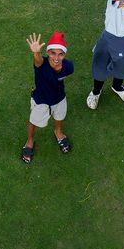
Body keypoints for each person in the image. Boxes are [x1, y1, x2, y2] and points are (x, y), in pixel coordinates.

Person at [21, 31, 73, 164]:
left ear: (64, 54)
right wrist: (36, 52)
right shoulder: (41, 64)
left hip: (60, 98)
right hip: (41, 101)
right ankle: (30, 141)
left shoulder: (68, 66)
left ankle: (58, 132)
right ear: (48, 52)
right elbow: (38, 61)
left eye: (60, 54)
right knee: (33, 122)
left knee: (59, 117)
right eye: (53, 53)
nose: (56, 57)